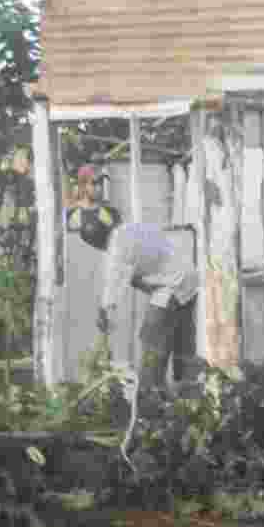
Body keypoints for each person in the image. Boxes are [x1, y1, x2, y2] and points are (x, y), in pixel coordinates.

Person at [67, 164, 198, 399]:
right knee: (176, 343)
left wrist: (105, 312)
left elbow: (114, 285)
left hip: (173, 285)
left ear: (97, 241)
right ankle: (179, 395)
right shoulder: (128, 229)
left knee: (151, 338)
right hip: (185, 278)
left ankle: (150, 396)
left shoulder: (117, 247)